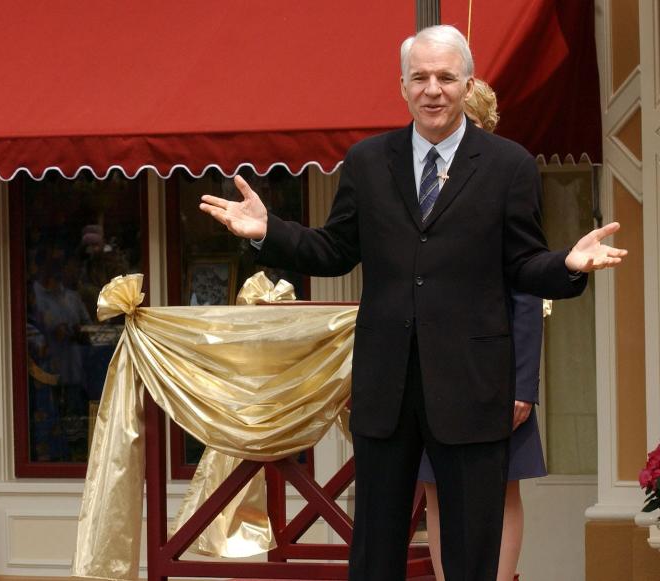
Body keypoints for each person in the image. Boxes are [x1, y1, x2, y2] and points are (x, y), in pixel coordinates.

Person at [199, 25, 625, 581]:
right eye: (420, 77)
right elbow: (333, 251)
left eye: (446, 77)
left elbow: (522, 264)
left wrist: (567, 264)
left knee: (474, 549)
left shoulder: (508, 165)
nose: (433, 89)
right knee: (376, 549)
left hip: (472, 388)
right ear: (402, 86)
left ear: (467, 84)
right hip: (385, 387)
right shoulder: (368, 162)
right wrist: (267, 232)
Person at [417, 78, 543, 581]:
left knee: (502, 487)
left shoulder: (507, 177)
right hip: (428, 372)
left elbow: (528, 292)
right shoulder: (415, 182)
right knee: (435, 492)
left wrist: (522, 385)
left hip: (494, 376)